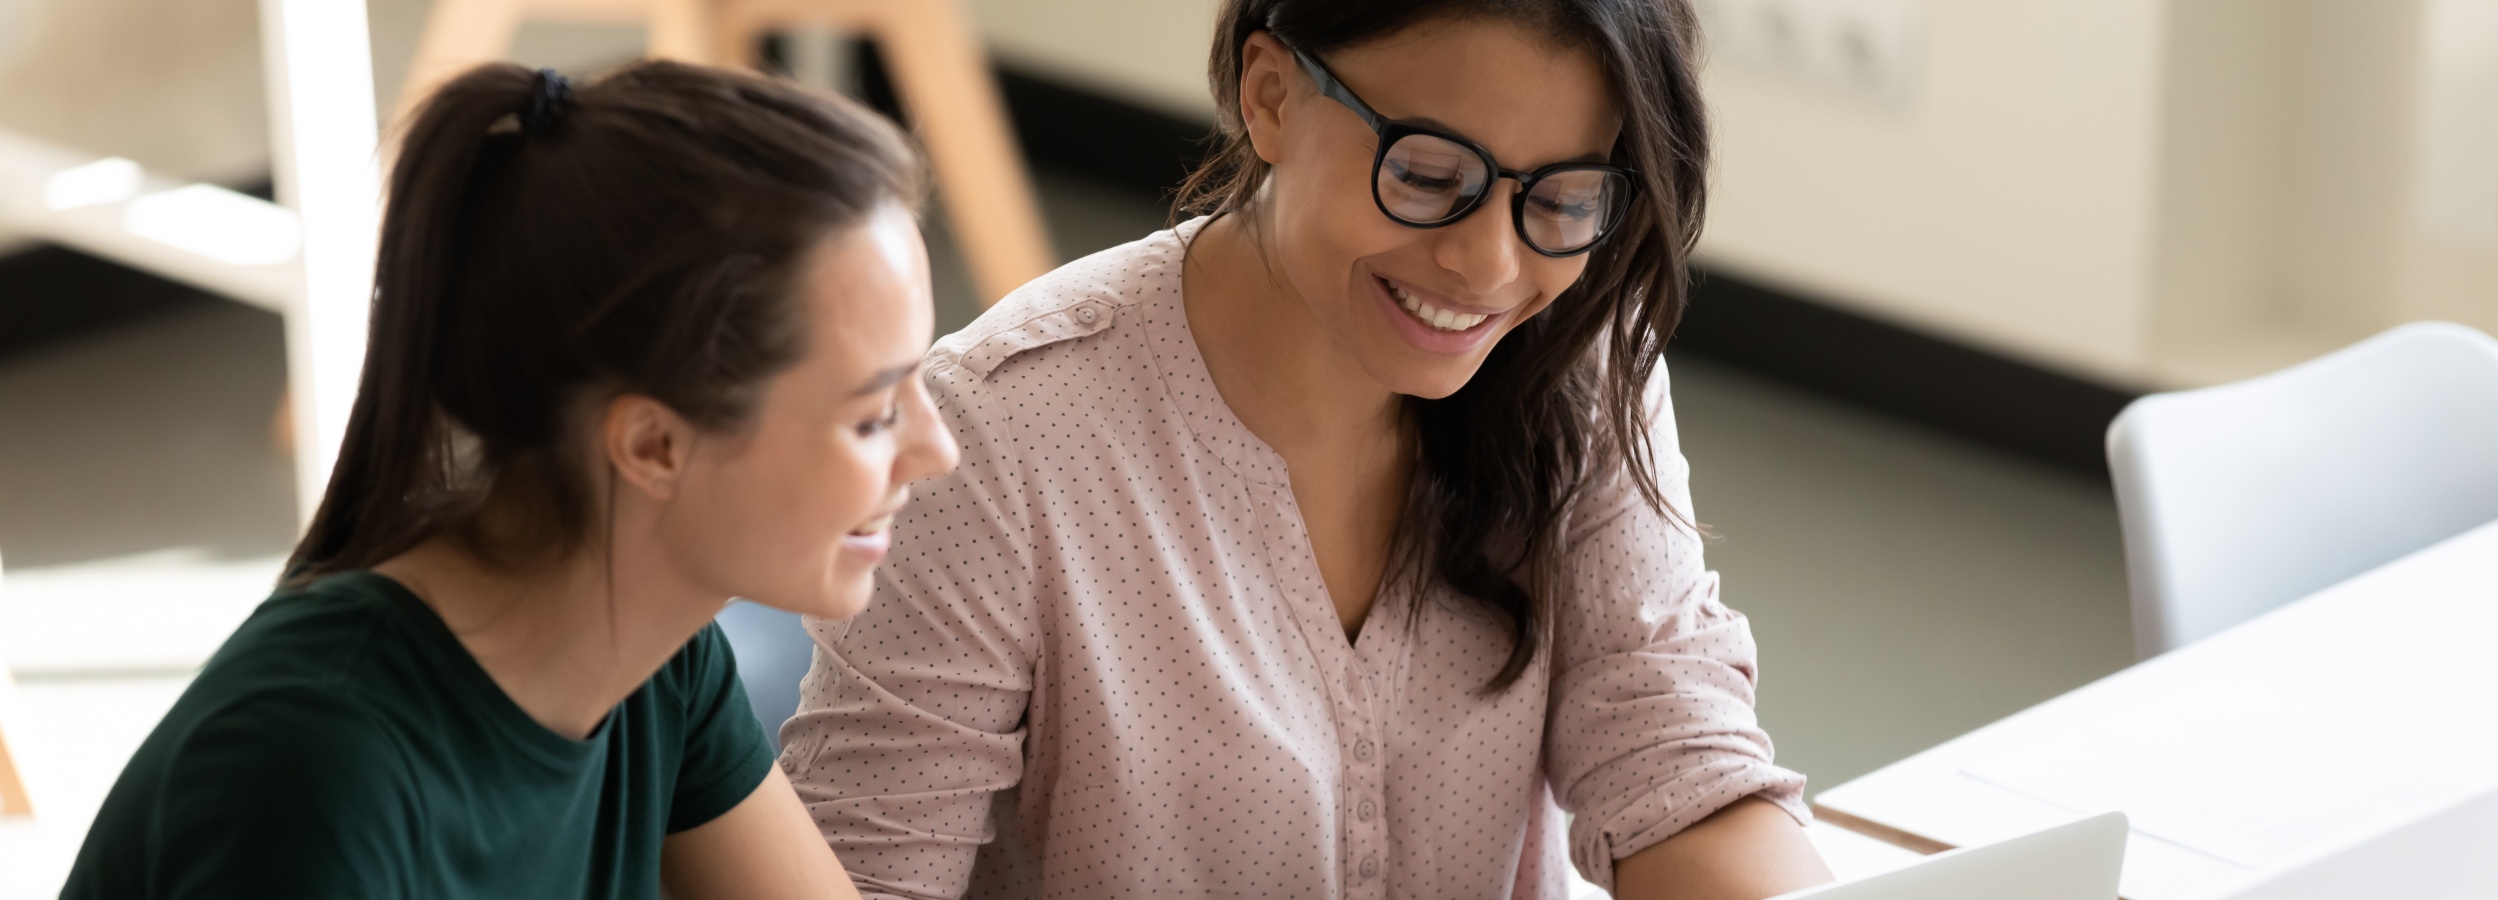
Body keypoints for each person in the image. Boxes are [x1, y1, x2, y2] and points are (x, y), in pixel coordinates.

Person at [780, 0, 1837, 897]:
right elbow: (863, 877)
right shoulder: (1005, 435)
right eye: (1426, 174)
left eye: (1560, 200)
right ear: (1270, 96)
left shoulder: (1577, 361)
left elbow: (1672, 760)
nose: (1486, 262)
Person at [61, 60, 957, 899]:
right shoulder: (313, 774)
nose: (938, 449)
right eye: (873, 414)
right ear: (652, 446)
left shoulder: (656, 660)